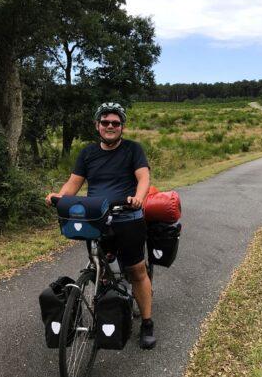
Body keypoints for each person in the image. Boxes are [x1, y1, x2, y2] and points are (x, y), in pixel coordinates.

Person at [45, 102, 156, 349]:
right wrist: (59, 197)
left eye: (115, 123)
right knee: (100, 269)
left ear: (122, 127)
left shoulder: (133, 150)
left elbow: (143, 177)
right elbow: (73, 183)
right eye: (105, 122)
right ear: (97, 125)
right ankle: (107, 313)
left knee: (136, 270)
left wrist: (139, 197)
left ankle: (147, 322)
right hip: (97, 219)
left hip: (128, 217)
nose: (110, 126)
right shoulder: (88, 153)